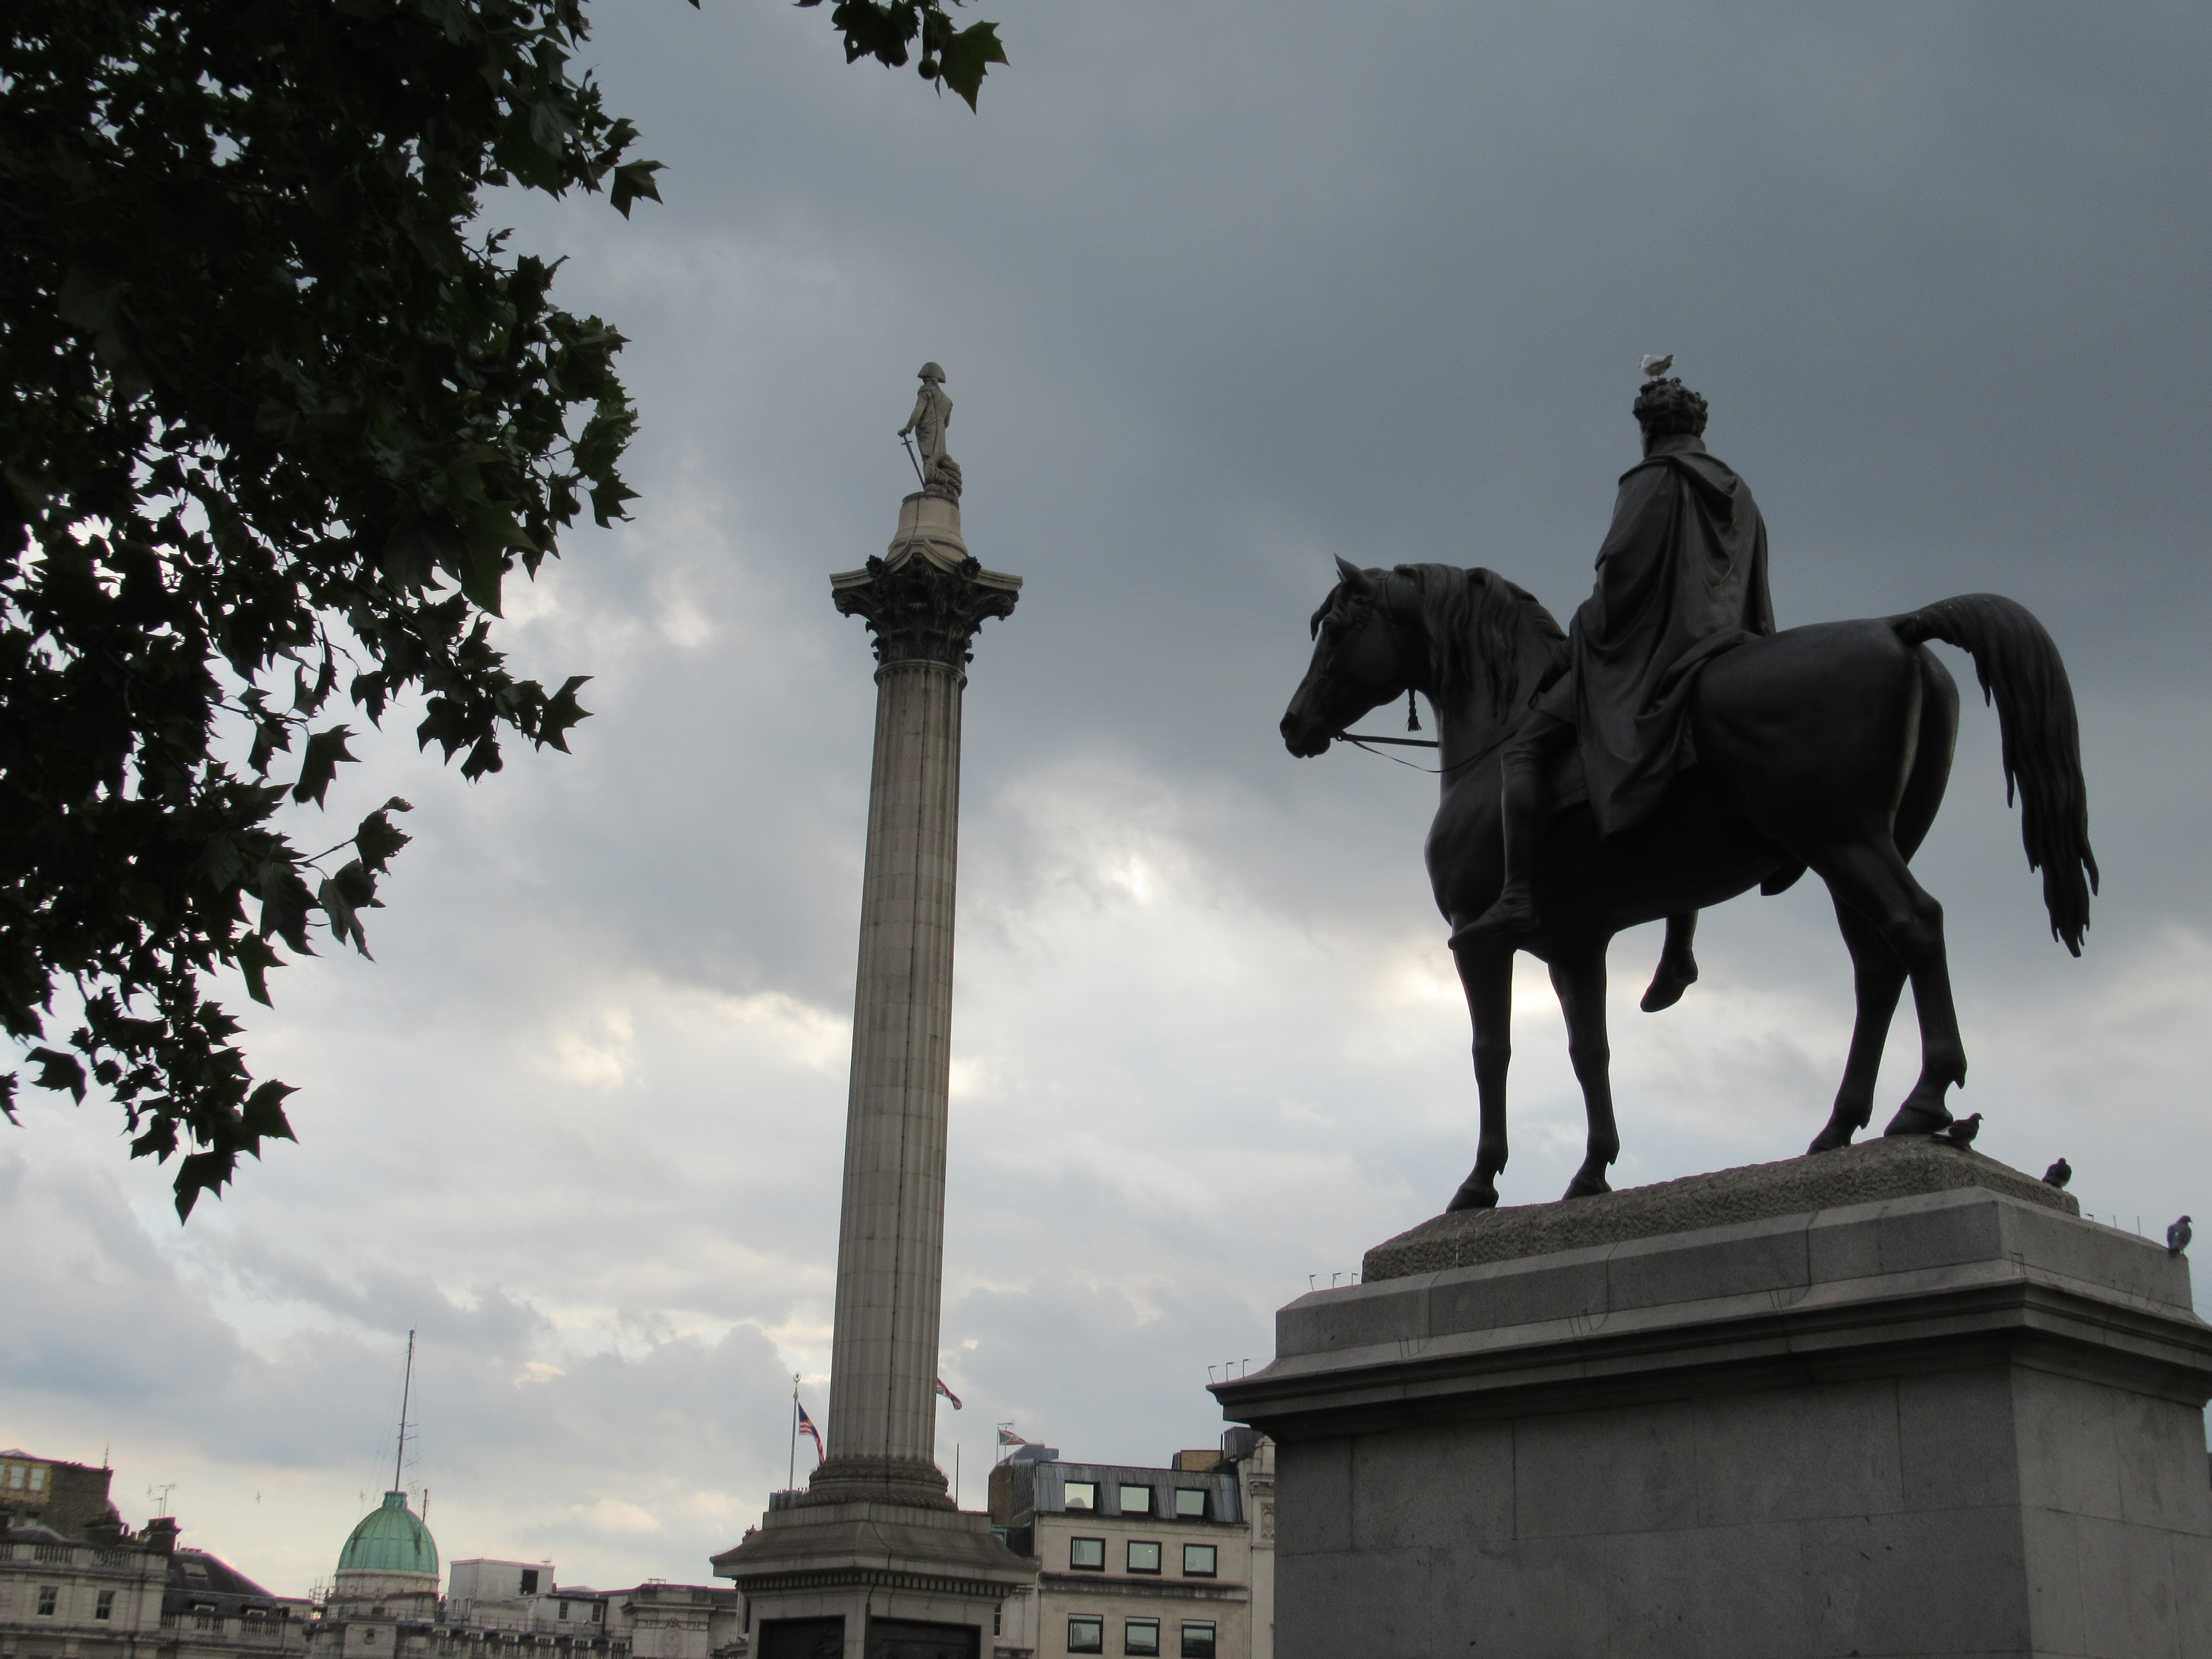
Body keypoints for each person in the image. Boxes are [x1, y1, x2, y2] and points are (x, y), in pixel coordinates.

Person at [1457, 374, 1776, 946]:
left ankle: (1518, 895)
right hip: (1725, 646)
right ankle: (1680, 948)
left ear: (1649, 429)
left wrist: (1571, 647)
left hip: (1650, 651)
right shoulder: (1741, 492)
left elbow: (1620, 580)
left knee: (1524, 750)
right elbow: (1753, 582)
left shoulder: (1651, 478)